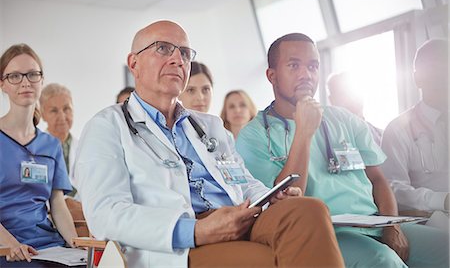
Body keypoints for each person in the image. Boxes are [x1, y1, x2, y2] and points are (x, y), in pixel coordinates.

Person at [74, 20, 345, 268]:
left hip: (238, 217)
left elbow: (242, 182)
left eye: (184, 52)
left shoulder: (210, 125)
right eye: (163, 48)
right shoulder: (107, 126)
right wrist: (195, 230)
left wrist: (270, 194)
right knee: (263, 260)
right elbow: (106, 215)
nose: (177, 59)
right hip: (177, 240)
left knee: (309, 210)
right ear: (134, 63)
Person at [236, 33, 449, 268]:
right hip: (326, 233)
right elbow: (286, 205)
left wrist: (392, 226)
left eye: (313, 66)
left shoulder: (345, 119)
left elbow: (379, 179)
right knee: (383, 261)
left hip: (376, 223)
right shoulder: (253, 136)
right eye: (294, 65)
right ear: (272, 75)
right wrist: (304, 133)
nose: (306, 74)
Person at [0, 44, 78, 267]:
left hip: (48, 247)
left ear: (41, 80)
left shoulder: (50, 145)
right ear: (2, 84)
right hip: (8, 247)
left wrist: (74, 243)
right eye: (15, 76)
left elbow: (57, 204)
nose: (25, 82)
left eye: (33, 74)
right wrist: (11, 244)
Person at [381, 39, 449, 230]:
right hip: (431, 219)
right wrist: (442, 200)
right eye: (436, 70)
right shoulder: (398, 129)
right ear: (417, 79)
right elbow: (393, 188)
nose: (444, 77)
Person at [40, 83, 78, 197]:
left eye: (66, 109)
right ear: (43, 114)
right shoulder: (34, 150)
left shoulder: (84, 147)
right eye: (54, 111)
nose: (62, 116)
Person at [327, 71, 383, 145]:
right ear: (332, 100)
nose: (351, 97)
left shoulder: (382, 135)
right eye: (343, 93)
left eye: (352, 91)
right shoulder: (331, 138)